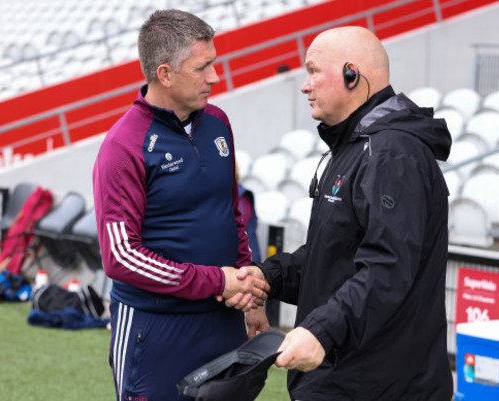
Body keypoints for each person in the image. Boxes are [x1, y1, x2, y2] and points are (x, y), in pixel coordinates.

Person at [231, 26, 454, 400]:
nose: (304, 85)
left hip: (380, 387)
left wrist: (321, 331)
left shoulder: (392, 154)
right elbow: (333, 257)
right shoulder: (356, 146)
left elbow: (387, 269)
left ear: (352, 75)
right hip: (345, 380)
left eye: (313, 70)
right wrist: (268, 277)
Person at [92, 10, 270, 401]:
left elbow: (231, 216)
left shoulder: (219, 123)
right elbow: (120, 257)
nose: (214, 77)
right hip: (154, 330)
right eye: (202, 67)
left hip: (224, 321)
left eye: (214, 64)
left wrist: (250, 298)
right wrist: (216, 281)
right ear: (165, 74)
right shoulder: (122, 147)